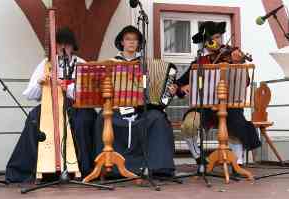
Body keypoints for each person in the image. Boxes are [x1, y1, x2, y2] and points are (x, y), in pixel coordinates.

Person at [5, 27, 97, 182]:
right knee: (34, 118)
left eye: (67, 44)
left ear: (72, 46)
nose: (63, 48)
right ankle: (30, 169)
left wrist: (66, 87)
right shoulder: (46, 64)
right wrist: (40, 83)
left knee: (84, 120)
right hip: (51, 104)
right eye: (60, 44)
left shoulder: (81, 63)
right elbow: (30, 95)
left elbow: (87, 93)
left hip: (76, 106)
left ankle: (83, 169)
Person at [175, 21, 261, 173]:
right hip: (205, 107)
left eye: (220, 37)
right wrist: (183, 88)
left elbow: (245, 82)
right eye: (214, 38)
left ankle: (237, 162)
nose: (219, 41)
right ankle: (200, 158)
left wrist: (238, 63)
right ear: (206, 42)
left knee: (236, 123)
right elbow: (179, 86)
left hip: (229, 106)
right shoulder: (199, 62)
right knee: (188, 125)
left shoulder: (232, 57)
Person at [94, 25, 176, 177]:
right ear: (122, 42)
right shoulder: (110, 63)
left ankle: (157, 167)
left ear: (139, 44)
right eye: (128, 39)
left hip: (141, 109)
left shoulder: (146, 64)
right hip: (118, 108)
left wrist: (169, 92)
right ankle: (110, 167)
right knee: (102, 119)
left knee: (157, 118)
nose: (131, 42)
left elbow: (159, 92)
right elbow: (99, 88)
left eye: (135, 40)